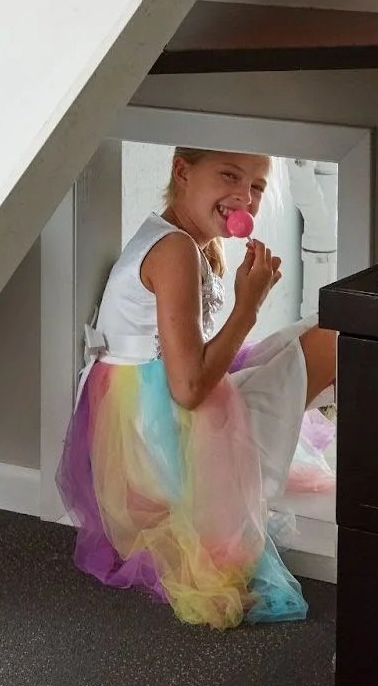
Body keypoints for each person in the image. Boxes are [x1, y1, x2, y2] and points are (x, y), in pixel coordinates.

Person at [56, 146, 338, 629]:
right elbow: (188, 389)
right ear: (182, 172)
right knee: (337, 336)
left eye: (256, 186)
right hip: (163, 435)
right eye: (230, 175)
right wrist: (247, 307)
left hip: (154, 415)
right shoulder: (175, 251)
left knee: (312, 332)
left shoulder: (184, 240)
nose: (244, 197)